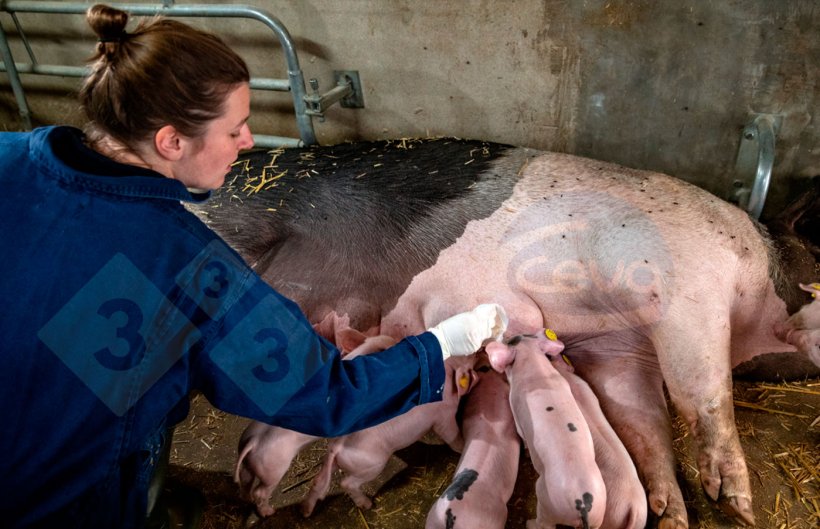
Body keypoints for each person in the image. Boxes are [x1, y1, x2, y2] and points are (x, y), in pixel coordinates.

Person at [0, 5, 508, 529]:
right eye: (235, 130)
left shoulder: (6, 155)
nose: (248, 143)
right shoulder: (188, 264)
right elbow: (325, 393)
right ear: (171, 141)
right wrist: (443, 342)